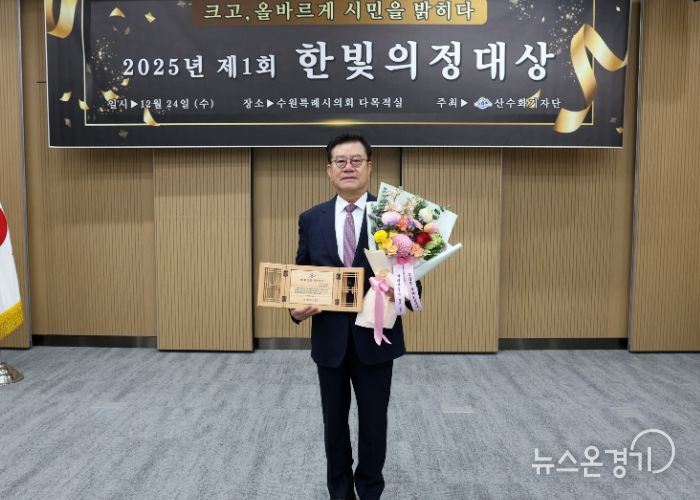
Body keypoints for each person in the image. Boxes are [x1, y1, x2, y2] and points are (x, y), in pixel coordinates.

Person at [290, 133, 420, 500]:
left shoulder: (394, 218)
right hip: (329, 340)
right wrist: (295, 311)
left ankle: (370, 490)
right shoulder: (311, 219)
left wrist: (402, 292)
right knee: (333, 424)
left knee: (374, 423)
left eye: (356, 160)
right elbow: (302, 275)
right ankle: (340, 492)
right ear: (329, 169)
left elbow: (413, 281)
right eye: (340, 161)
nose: (348, 167)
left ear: (369, 167)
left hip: (376, 338)